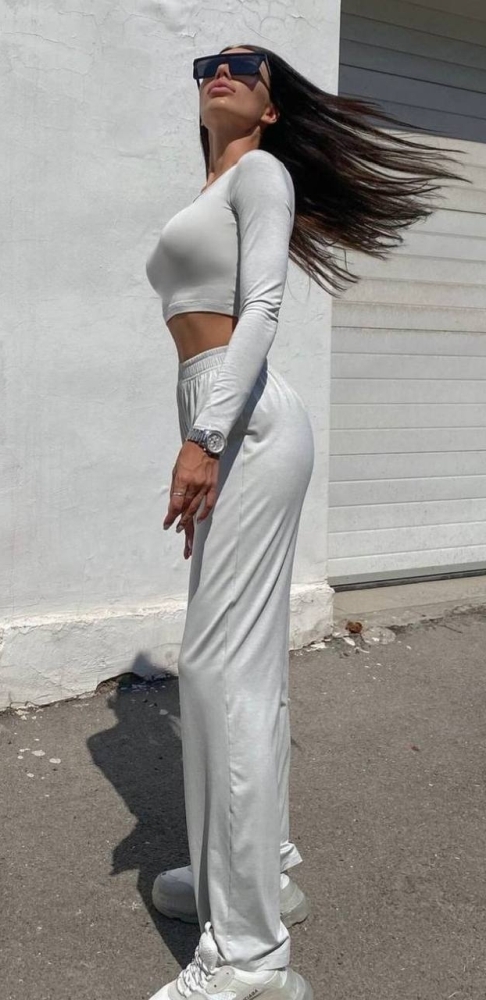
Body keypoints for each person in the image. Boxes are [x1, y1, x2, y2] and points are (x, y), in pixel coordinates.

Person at [144, 43, 466, 1000]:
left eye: (247, 67)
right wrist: (204, 434)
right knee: (237, 666)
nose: (223, 71)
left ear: (273, 107)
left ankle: (250, 957)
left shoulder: (262, 173)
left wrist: (205, 437)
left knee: (219, 671)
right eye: (210, 63)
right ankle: (255, 871)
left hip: (245, 423)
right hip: (224, 417)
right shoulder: (216, 185)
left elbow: (262, 308)